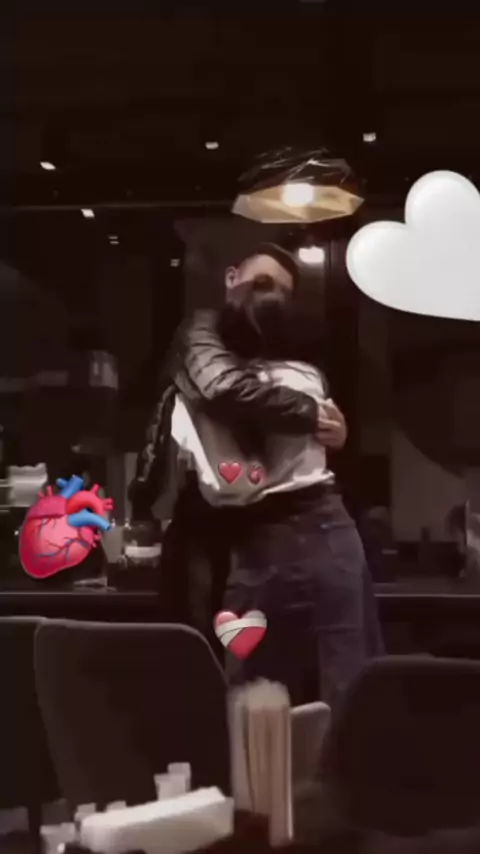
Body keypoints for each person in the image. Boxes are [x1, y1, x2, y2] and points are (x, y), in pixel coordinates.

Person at [129, 244, 383, 706]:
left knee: (326, 688)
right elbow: (224, 389)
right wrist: (311, 413)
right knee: (241, 693)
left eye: (282, 292)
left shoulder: (293, 369)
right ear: (231, 278)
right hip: (225, 535)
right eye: (262, 282)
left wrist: (332, 427)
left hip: (281, 524)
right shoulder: (200, 331)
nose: (270, 297)